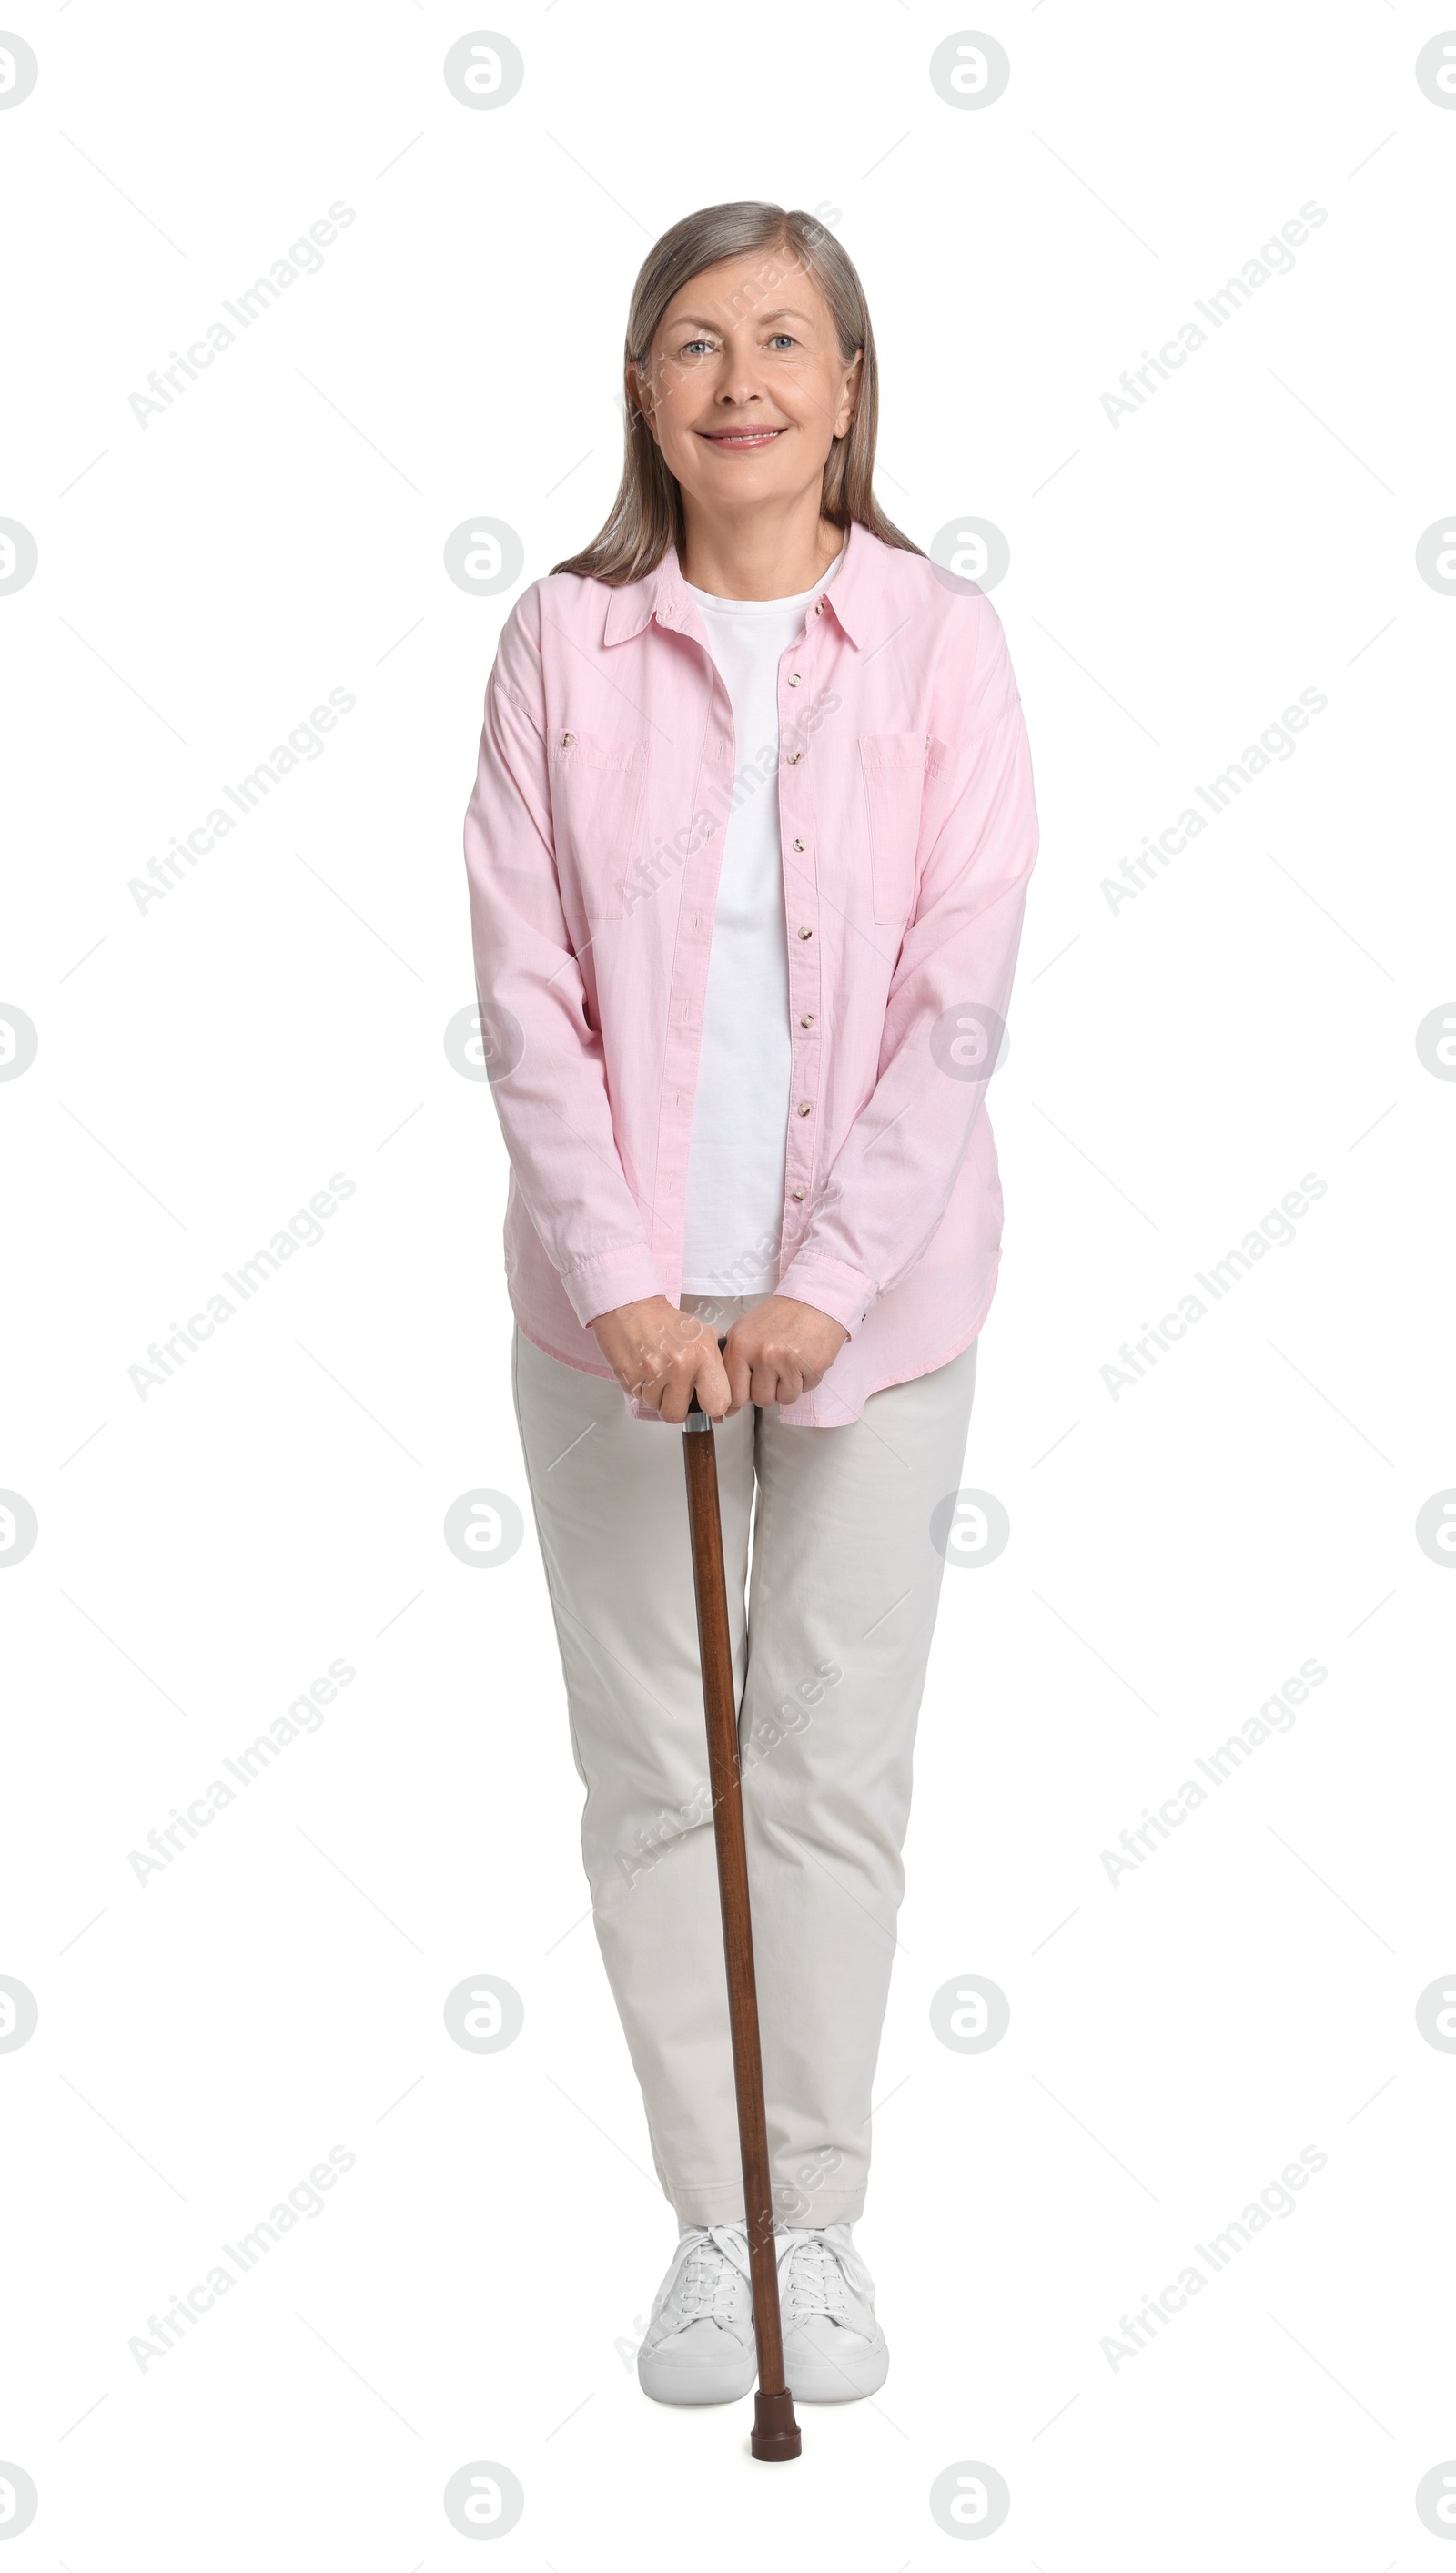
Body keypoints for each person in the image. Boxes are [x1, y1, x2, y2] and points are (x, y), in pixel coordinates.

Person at [462, 199, 1038, 2406]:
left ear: (851, 386)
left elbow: (954, 992)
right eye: (693, 344)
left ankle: (819, 2225)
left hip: (873, 1313)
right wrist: (623, 1280)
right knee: (653, 1777)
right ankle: (712, 2233)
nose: (739, 384)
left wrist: (815, 1287)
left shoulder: (937, 641)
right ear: (642, 390)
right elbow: (523, 998)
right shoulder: (558, 643)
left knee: (820, 1766)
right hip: (608, 1316)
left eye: (782, 342)